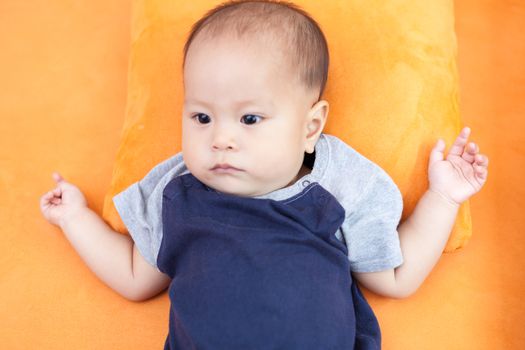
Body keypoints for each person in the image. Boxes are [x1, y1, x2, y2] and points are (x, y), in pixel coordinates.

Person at [39, 1, 489, 349]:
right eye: (201, 117)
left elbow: (397, 278)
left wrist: (443, 198)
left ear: (310, 127)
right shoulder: (178, 192)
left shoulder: (337, 185)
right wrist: (76, 218)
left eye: (249, 119)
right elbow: (136, 278)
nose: (221, 139)